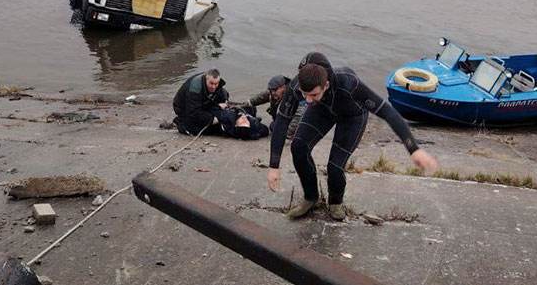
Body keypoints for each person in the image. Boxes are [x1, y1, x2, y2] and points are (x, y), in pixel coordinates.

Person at [266, 52, 438, 220]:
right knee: (298, 147)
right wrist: (274, 165)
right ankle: (311, 198)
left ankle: (335, 203)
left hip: (352, 117)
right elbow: (282, 121)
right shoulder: (298, 86)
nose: (307, 100)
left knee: (335, 167)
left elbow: (388, 112)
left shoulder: (349, 83)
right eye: (305, 95)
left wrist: (413, 149)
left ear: (325, 85)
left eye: (313, 95)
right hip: (323, 110)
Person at [172, 69, 269, 140]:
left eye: (216, 84)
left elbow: (223, 92)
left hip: (205, 106)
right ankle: (183, 123)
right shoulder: (195, 88)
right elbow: (193, 113)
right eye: (211, 84)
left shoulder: (216, 85)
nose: (214, 87)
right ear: (206, 79)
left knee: (248, 110)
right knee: (202, 126)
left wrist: (224, 102)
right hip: (184, 108)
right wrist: (213, 119)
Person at [248, 74, 303, 139]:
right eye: (271, 90)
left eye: (275, 90)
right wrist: (248, 103)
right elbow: (262, 97)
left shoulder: (294, 96)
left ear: (283, 86)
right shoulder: (274, 93)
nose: (273, 92)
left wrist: (286, 132)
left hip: (297, 124)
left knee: (273, 126)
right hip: (284, 121)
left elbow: (299, 116)